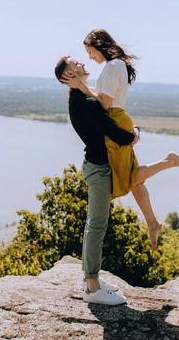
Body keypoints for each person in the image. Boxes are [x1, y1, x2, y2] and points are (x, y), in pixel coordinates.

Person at [63, 29, 179, 251]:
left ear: (99, 45)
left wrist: (82, 87)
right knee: (135, 180)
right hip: (120, 118)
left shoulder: (112, 66)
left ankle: (169, 161)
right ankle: (152, 223)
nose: (90, 57)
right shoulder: (116, 66)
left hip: (115, 119)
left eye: (90, 51)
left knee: (128, 179)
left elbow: (105, 104)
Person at [54, 55, 139, 306]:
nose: (82, 64)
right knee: (97, 226)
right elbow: (110, 130)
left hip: (97, 166)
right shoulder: (85, 102)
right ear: (68, 76)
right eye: (75, 64)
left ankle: (90, 280)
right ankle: (92, 288)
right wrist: (132, 136)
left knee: (95, 224)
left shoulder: (80, 98)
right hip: (99, 169)